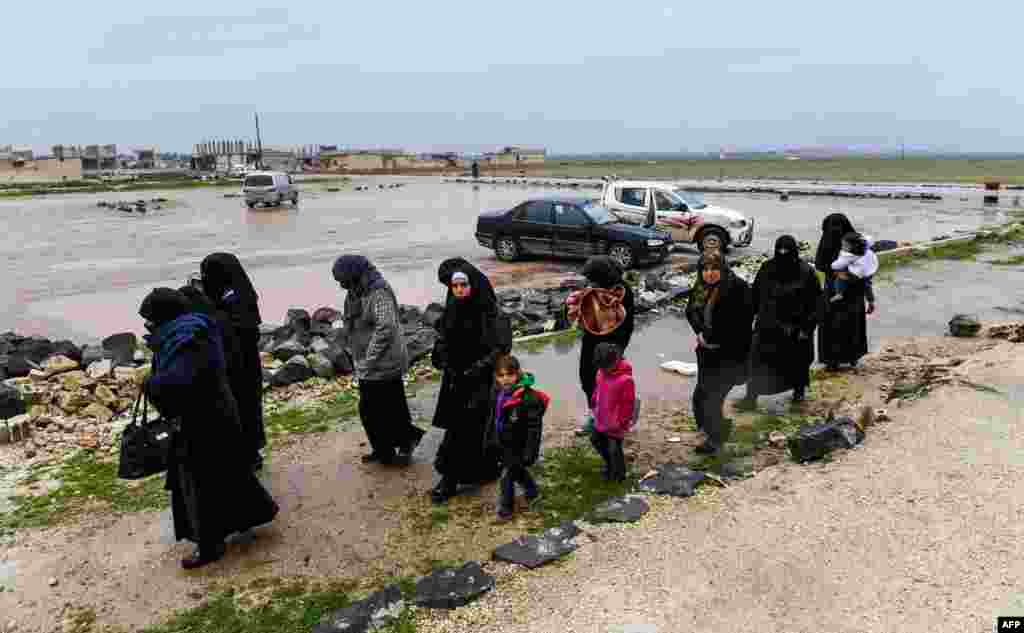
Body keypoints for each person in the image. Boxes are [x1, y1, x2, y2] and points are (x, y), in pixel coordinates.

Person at [140, 288, 278, 570]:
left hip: (202, 422)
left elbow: (182, 382)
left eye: (150, 320)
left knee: (200, 485)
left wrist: (149, 384)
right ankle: (248, 517)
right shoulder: (190, 330)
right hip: (215, 416)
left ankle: (209, 545)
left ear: (163, 317)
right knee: (227, 474)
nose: (147, 326)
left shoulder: (188, 338)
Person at [332, 255, 425, 465]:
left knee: (390, 406)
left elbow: (386, 328)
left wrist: (369, 359)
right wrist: (344, 339)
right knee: (370, 409)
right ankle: (383, 448)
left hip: (385, 360)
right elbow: (351, 321)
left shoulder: (379, 292)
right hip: (365, 360)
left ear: (355, 275)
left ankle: (405, 443)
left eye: (343, 280)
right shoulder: (355, 292)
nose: (341, 285)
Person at [430, 258, 504, 504]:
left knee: (465, 429)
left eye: (463, 285)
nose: (458, 291)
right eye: (454, 287)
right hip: (455, 378)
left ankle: (450, 479)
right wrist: (439, 354)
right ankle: (480, 471)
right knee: (464, 427)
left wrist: (478, 368)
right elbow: (444, 334)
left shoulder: (487, 308)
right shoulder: (453, 305)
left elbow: (500, 346)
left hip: (479, 379)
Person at [199, 253, 266, 471]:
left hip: (235, 363)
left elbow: (227, 326)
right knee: (249, 407)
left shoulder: (231, 299)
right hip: (247, 362)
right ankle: (251, 451)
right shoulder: (242, 292)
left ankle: (245, 455)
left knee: (238, 408)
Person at [685, 252, 754, 454]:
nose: (709, 274)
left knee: (712, 398)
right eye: (705, 269)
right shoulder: (700, 288)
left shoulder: (737, 288)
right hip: (707, 354)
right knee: (700, 397)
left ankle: (714, 440)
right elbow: (690, 312)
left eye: (714, 269)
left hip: (729, 356)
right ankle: (709, 430)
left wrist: (715, 339)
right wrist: (701, 334)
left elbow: (741, 323)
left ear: (722, 269)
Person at [742, 235, 822, 407]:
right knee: (757, 363)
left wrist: (807, 328)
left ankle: (798, 393)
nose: (783, 254)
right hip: (767, 328)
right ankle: (751, 397)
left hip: (795, 330)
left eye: (787, 251)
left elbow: (817, 304)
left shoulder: (806, 272)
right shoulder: (767, 268)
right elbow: (755, 295)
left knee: (797, 364)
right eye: (780, 251)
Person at [575, 256, 635, 434]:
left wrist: (617, 349)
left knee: (609, 385)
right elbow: (586, 312)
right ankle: (595, 415)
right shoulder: (594, 289)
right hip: (591, 341)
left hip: (612, 344)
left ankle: (616, 420)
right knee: (587, 378)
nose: (590, 282)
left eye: (593, 278)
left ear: (603, 277)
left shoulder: (621, 292)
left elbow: (623, 322)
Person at [815, 213, 877, 370]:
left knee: (833, 325)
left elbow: (820, 264)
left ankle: (832, 360)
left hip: (834, 291)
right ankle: (851, 357)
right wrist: (870, 298)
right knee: (851, 324)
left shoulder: (827, 241)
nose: (835, 231)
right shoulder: (856, 242)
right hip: (852, 291)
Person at [491, 354, 548, 521]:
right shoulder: (499, 393)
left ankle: (506, 507)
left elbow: (534, 428)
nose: (505, 379)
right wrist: (493, 438)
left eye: (509, 374)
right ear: (496, 377)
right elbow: (495, 418)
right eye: (501, 375)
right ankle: (532, 492)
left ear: (518, 374)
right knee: (517, 470)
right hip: (505, 442)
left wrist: (530, 452)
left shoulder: (528, 398)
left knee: (506, 475)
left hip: (520, 444)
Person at [589, 343, 636, 481]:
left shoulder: (626, 380)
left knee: (615, 450)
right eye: (601, 367)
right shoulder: (601, 373)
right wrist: (593, 398)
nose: (603, 370)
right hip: (601, 417)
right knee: (596, 440)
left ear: (615, 360)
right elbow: (598, 388)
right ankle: (610, 464)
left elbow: (628, 404)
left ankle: (619, 475)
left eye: (605, 367)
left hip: (616, 423)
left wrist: (622, 422)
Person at [830, 231, 878, 303]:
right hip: (871, 268)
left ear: (853, 247)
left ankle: (839, 293)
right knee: (867, 286)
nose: (842, 247)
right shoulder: (865, 244)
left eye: (845, 246)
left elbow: (834, 266)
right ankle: (871, 301)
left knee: (839, 276)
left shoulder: (850, 256)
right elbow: (870, 239)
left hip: (858, 274)